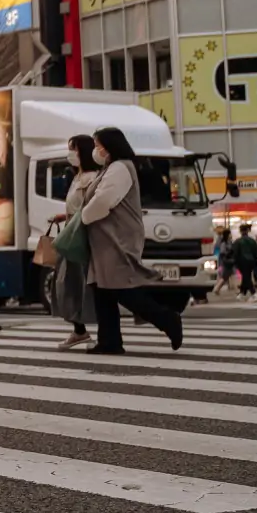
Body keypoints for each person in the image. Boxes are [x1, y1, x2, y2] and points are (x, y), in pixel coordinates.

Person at [83, 125, 181, 354]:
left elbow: (103, 201)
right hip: (105, 240)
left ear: (110, 147)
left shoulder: (120, 168)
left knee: (121, 289)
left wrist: (84, 217)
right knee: (103, 290)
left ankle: (167, 320)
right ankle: (109, 341)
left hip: (116, 239)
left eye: (98, 145)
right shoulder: (110, 168)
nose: (95, 150)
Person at [53, 134, 99, 350]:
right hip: (71, 236)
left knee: (81, 285)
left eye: (74, 148)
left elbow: (89, 208)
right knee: (67, 285)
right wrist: (63, 217)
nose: (70, 153)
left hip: (82, 238)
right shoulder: (77, 177)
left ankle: (86, 330)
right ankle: (79, 330)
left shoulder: (93, 177)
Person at [234, 221, 257, 302]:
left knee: (246, 277)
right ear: (247, 231)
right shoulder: (252, 241)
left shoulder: (238, 241)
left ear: (240, 231)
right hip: (252, 262)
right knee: (246, 276)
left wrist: (234, 262)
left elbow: (234, 253)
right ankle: (242, 293)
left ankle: (254, 293)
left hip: (242, 262)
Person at [213, 229, 237, 297]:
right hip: (227, 261)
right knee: (228, 276)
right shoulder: (224, 243)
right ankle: (237, 290)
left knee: (227, 276)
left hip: (229, 261)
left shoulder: (229, 242)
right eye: (229, 234)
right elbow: (222, 253)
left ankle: (217, 289)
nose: (231, 235)